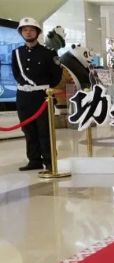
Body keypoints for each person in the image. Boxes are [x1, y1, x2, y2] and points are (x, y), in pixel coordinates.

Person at [11, 17, 63, 171]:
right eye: (25, 30)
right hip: (23, 97)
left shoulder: (49, 53)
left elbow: (56, 76)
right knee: (28, 130)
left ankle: (49, 161)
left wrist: (43, 87)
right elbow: (16, 73)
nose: (28, 32)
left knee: (44, 130)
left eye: (31, 30)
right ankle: (34, 160)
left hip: (42, 96)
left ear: (37, 32)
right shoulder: (16, 53)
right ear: (21, 33)